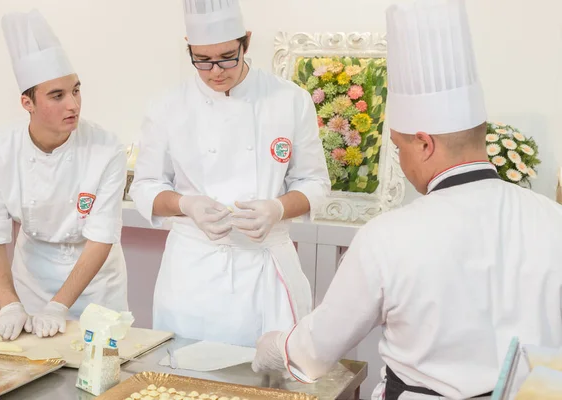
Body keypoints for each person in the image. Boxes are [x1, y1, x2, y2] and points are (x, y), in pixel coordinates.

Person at [251, 0, 562, 399]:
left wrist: (274, 348)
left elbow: (315, 352)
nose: (400, 159)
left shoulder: (388, 236)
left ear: (425, 144)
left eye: (399, 148)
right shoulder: (553, 220)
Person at [130, 0, 330, 347]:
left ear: (246, 42)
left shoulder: (289, 100)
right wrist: (186, 204)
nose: (215, 71)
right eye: (202, 60)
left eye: (227, 57)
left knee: (269, 384)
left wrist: (278, 208)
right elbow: (146, 186)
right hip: (193, 274)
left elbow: (315, 183)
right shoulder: (167, 106)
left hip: (265, 269)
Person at [0, 10, 128, 341]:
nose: (73, 104)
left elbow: (101, 237)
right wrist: (9, 305)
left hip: (97, 287)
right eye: (57, 96)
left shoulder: (106, 148)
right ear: (26, 102)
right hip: (30, 280)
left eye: (76, 90)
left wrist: (59, 306)